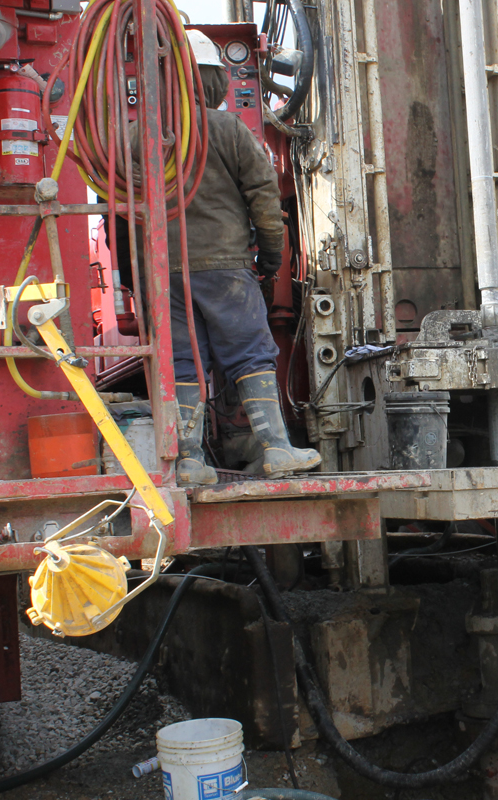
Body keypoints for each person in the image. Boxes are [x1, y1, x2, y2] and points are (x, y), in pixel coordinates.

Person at [168, 31, 320, 485]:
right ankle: (276, 448)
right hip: (224, 267)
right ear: (214, 81)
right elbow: (265, 199)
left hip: (165, 272)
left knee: (182, 362)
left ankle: (189, 461)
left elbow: (120, 214)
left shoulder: (138, 136)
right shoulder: (229, 129)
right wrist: (271, 260)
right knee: (251, 355)